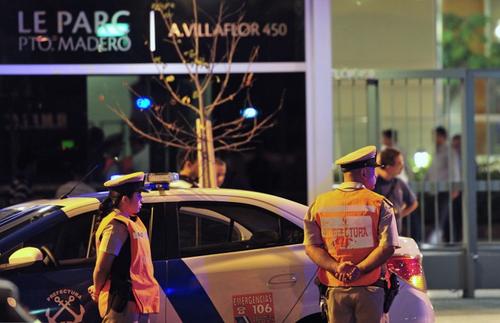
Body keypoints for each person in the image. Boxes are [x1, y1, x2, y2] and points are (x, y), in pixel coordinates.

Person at [303, 145, 399, 323]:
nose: (376, 176)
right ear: (364, 172)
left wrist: (336, 267)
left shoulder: (319, 204)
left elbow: (311, 247)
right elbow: (388, 246)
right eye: (373, 171)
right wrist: (359, 270)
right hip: (370, 287)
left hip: (334, 288)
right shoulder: (379, 204)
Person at [88, 172, 160, 322]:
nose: (142, 200)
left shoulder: (131, 222)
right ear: (125, 199)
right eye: (138, 195)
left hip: (134, 299)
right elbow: (102, 266)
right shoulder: (116, 226)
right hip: (121, 301)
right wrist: (97, 290)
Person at [425, 126, 460, 243]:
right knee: (445, 215)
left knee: (442, 215)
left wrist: (455, 187)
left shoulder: (449, 151)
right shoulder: (437, 151)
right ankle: (450, 240)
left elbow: (454, 169)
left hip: (446, 189)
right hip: (437, 189)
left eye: (435, 136)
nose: (433, 138)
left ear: (441, 136)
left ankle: (436, 238)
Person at [375, 148, 419, 234]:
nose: (402, 166)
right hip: (377, 234)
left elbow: (413, 203)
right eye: (399, 163)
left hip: (396, 234)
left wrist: (400, 214)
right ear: (388, 166)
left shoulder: (399, 183)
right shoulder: (374, 185)